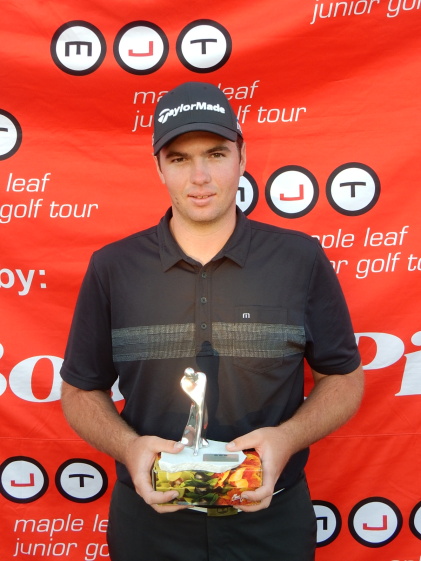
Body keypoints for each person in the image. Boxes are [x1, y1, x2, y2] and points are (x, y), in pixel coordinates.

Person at [60, 81, 364, 561]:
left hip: (271, 521)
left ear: (242, 157)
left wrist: (287, 439)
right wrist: (129, 448)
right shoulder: (113, 267)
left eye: (216, 154)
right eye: (180, 158)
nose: (199, 177)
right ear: (158, 168)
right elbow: (79, 391)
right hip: (150, 524)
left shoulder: (300, 259)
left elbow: (343, 378)